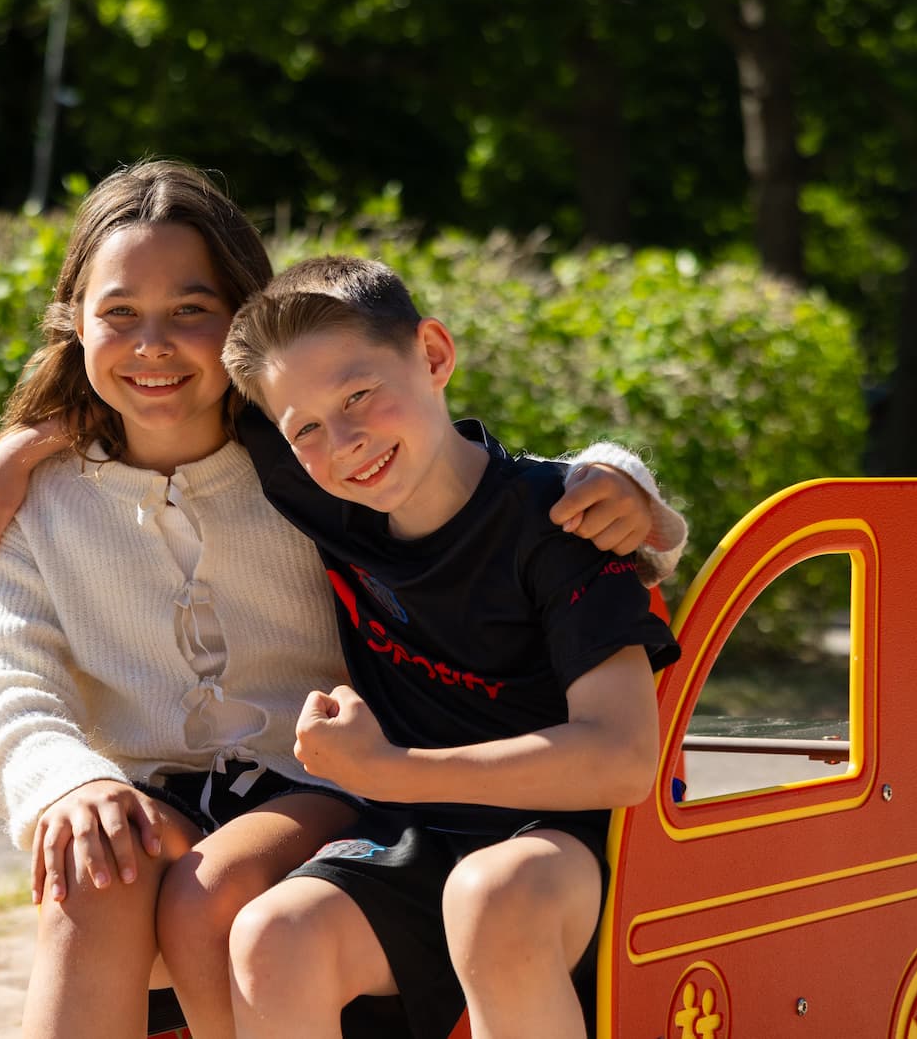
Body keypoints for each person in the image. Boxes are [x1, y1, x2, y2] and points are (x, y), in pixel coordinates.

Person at [0, 160, 686, 1039]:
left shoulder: (307, 469)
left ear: (236, 329)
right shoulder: (45, 498)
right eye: (120, 316)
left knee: (215, 900)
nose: (152, 344)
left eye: (190, 311)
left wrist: (635, 494)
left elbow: (469, 470)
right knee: (93, 870)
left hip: (329, 781)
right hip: (161, 796)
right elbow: (1, 684)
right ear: (75, 324)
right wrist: (23, 445)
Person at [217, 256, 682, 1039]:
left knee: (490, 897)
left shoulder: (566, 520)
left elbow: (624, 758)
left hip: (569, 850)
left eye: (360, 395)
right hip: (420, 839)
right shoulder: (331, 501)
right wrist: (18, 445)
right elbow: (153, 386)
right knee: (273, 937)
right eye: (306, 430)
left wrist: (392, 770)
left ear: (433, 356)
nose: (346, 441)